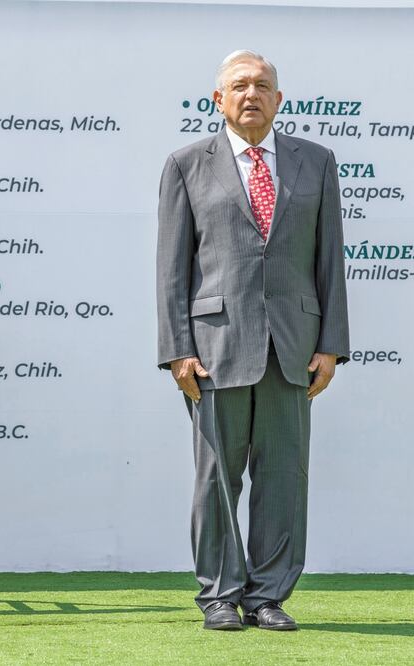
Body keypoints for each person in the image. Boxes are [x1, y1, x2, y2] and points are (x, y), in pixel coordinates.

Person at [156, 50, 349, 631]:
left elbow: (330, 260)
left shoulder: (317, 162)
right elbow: (172, 269)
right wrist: (178, 349)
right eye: (239, 86)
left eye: (262, 86)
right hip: (214, 350)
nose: (251, 94)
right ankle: (219, 595)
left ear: (278, 100)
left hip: (294, 347)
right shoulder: (186, 164)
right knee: (217, 477)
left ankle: (268, 596)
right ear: (218, 99)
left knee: (284, 477)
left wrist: (331, 344)